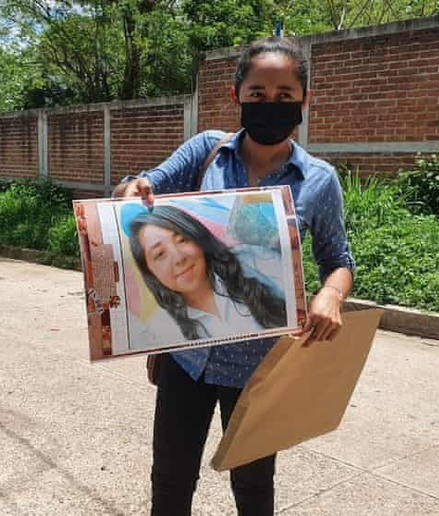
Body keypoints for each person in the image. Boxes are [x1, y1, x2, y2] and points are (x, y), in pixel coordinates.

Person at [113, 36, 355, 516]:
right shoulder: (207, 151)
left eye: (285, 95)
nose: (271, 104)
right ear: (236, 95)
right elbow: (141, 187)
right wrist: (131, 190)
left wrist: (331, 294)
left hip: (259, 366)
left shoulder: (318, 179)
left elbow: (339, 260)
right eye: (258, 93)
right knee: (170, 479)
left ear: (305, 100)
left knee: (254, 486)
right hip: (188, 357)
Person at [127, 204, 287, 342]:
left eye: (182, 240)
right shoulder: (160, 328)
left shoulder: (253, 260)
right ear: (149, 271)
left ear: (197, 237)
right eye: (160, 254)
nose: (179, 259)